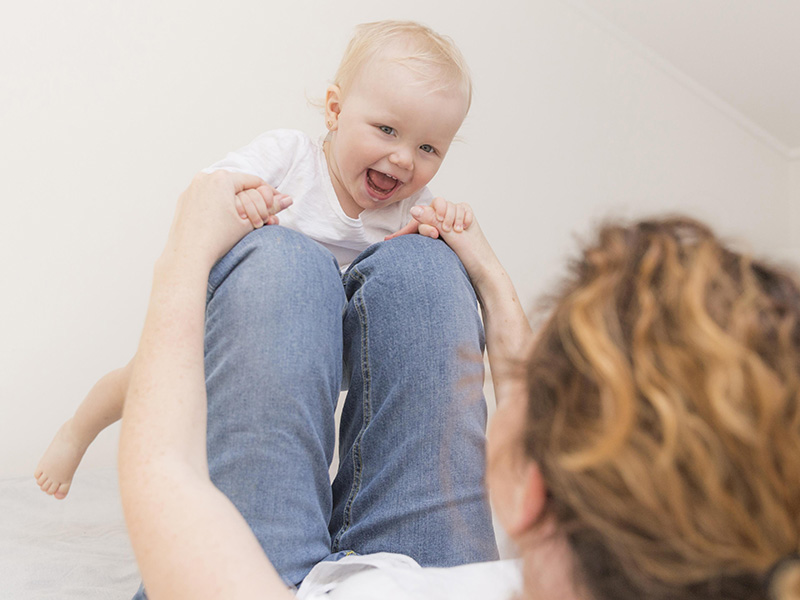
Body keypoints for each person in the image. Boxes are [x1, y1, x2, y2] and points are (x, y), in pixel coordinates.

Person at [120, 167, 800, 600]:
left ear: (531, 493)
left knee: (278, 262)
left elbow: (163, 473)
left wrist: (186, 248)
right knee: (424, 267)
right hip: (425, 570)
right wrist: (486, 272)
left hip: (249, 576)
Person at [34, 19, 477, 500]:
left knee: (291, 422)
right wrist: (247, 197)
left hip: (331, 347)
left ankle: (318, 501)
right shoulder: (291, 157)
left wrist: (441, 225)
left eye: (428, 147)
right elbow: (211, 190)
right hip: (238, 322)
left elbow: (419, 275)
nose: (405, 159)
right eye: (387, 129)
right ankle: (76, 431)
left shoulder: (409, 205)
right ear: (335, 110)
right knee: (140, 380)